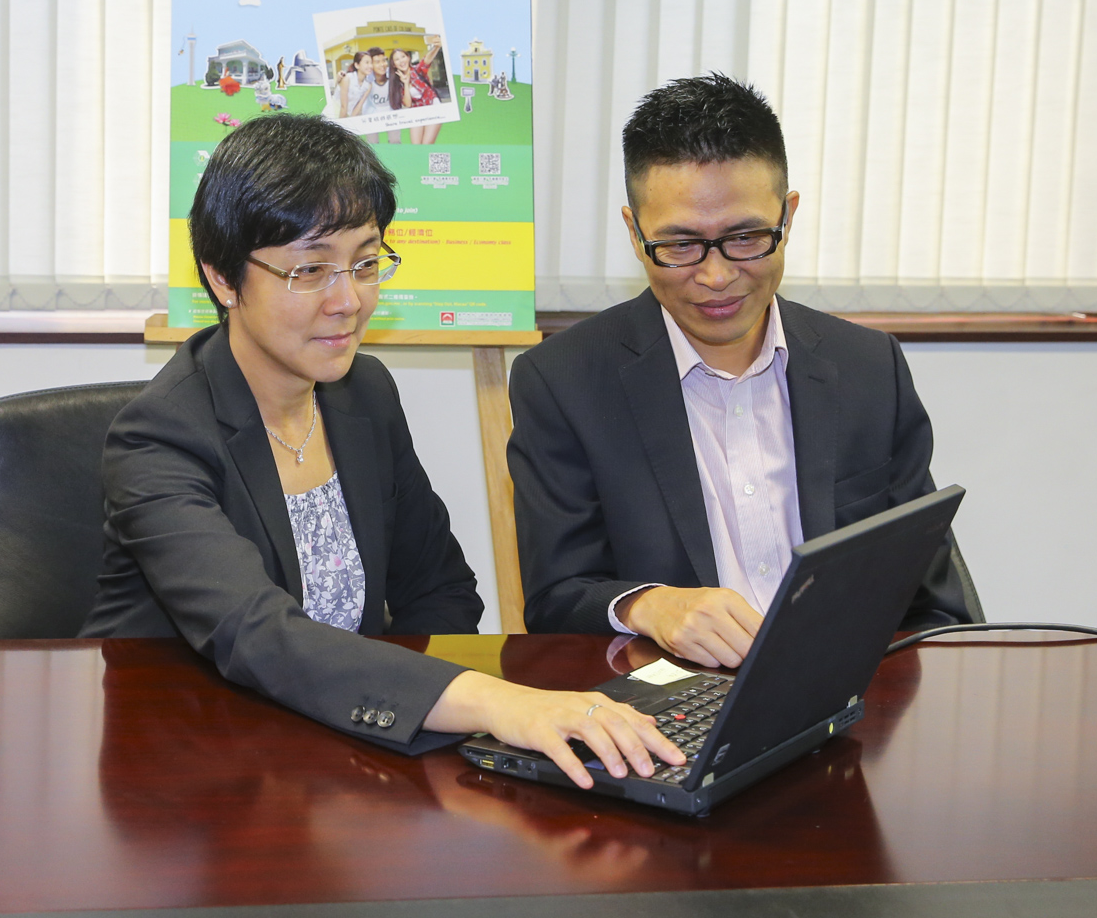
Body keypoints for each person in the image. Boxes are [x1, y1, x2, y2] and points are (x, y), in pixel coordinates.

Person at [83, 115, 682, 786]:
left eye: (365, 263)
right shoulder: (157, 437)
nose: (348, 300)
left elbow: (440, 589)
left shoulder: (361, 393)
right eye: (311, 270)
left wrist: (400, 732)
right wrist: (496, 702)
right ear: (223, 278)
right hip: (194, 772)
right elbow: (255, 632)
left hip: (343, 753)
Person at [508, 73, 978, 668]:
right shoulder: (564, 381)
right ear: (634, 232)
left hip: (845, 687)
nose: (716, 276)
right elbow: (556, 597)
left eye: (747, 237)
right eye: (679, 245)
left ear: (788, 215)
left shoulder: (867, 368)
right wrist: (648, 605)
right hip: (671, 700)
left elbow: (932, 598)